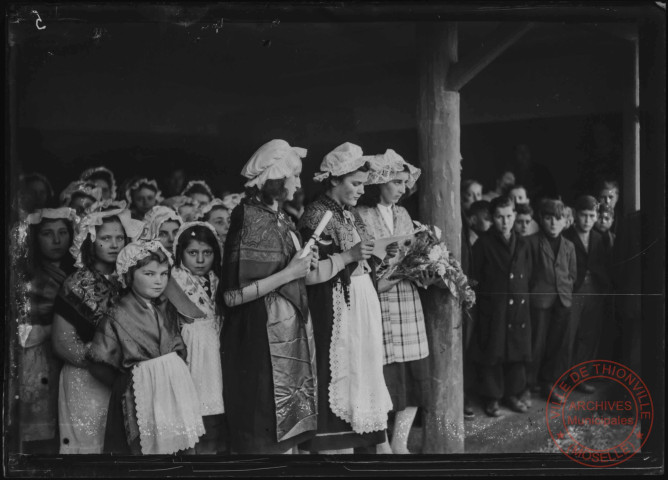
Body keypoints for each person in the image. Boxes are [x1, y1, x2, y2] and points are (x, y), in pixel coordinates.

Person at [221, 139, 321, 454]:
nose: (299, 183)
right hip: (259, 335)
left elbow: (288, 269)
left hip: (288, 329)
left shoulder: (281, 218)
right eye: (295, 176)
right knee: (263, 430)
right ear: (276, 179)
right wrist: (289, 273)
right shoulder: (249, 217)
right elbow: (233, 296)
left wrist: (305, 263)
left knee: (287, 435)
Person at [298, 142, 394, 454]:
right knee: (339, 371)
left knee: (364, 368)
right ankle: (334, 447)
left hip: (361, 300)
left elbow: (360, 259)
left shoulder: (349, 214)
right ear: (334, 180)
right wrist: (350, 255)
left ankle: (362, 442)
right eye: (355, 184)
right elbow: (310, 273)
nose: (359, 191)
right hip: (337, 306)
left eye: (363, 185)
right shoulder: (316, 216)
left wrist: (382, 253)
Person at [87, 241, 205, 454]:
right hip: (142, 389)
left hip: (174, 388)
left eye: (163, 274)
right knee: (144, 448)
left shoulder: (167, 306)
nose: (159, 281)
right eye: (149, 274)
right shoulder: (117, 314)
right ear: (129, 275)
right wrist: (132, 380)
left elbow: (178, 343)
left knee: (181, 445)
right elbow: (99, 362)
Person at [357, 149, 435, 454]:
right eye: (398, 182)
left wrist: (423, 273)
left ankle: (401, 442)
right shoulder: (361, 215)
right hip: (378, 301)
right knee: (384, 377)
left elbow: (412, 253)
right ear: (380, 182)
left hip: (407, 300)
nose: (404, 188)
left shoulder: (403, 214)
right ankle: (382, 445)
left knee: (413, 376)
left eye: (405, 182)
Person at [51, 208, 143, 453]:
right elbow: (62, 341)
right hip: (86, 379)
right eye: (105, 238)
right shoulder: (76, 283)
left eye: (119, 238)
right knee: (88, 449)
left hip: (124, 381)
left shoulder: (133, 279)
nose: (114, 244)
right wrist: (101, 362)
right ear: (92, 241)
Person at [17, 208, 77, 454]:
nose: (56, 240)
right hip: (37, 356)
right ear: (34, 237)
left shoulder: (75, 271)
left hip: (69, 356)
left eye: (63, 232)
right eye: (47, 234)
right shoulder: (26, 274)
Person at [470, 196, 532, 417]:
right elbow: (474, 277)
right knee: (493, 350)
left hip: (518, 307)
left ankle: (513, 394)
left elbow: (529, 275)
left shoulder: (524, 244)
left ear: (514, 215)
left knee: (516, 351)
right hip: (494, 308)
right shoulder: (483, 244)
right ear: (491, 218)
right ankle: (492, 397)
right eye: (499, 217)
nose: (505, 222)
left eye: (508, 216)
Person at [170, 222, 226, 454]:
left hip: (216, 352)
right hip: (192, 352)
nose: (200, 260)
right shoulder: (174, 279)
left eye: (207, 253)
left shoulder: (217, 279)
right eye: (193, 253)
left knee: (215, 417)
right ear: (180, 253)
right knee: (192, 416)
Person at [526, 199, 576, 404]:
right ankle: (528, 384)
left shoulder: (569, 246)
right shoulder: (530, 242)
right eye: (548, 218)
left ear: (565, 221)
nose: (553, 224)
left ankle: (549, 383)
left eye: (558, 218)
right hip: (539, 302)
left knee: (557, 344)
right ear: (540, 219)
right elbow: (527, 275)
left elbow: (572, 274)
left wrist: (565, 291)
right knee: (536, 344)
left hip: (562, 301)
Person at [563, 196, 612, 392]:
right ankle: (562, 379)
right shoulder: (566, 236)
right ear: (575, 215)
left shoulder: (600, 239)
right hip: (573, 291)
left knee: (588, 336)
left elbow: (604, 266)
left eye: (592, 215)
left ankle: (580, 378)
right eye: (584, 215)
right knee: (568, 336)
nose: (588, 220)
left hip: (594, 291)